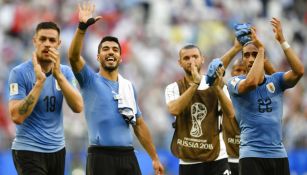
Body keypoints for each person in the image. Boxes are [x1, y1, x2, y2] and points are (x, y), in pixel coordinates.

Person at [68, 2, 164, 175]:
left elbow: (139, 125)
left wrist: (154, 157)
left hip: (127, 155)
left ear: (120, 58)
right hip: (100, 157)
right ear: (98, 57)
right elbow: (74, 57)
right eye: (105, 49)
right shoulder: (89, 80)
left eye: (115, 49)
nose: (110, 52)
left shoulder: (128, 86)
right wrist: (82, 28)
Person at [227, 18, 304, 175]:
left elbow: (299, 71)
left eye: (254, 54)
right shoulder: (234, 82)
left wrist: (282, 41)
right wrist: (261, 50)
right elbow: (252, 82)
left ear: (263, 58)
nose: (250, 59)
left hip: (278, 154)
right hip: (251, 155)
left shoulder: (276, 81)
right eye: (246, 55)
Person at [8, 21, 83, 175]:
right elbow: (16, 116)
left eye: (52, 40)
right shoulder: (19, 73)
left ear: (59, 44)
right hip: (28, 150)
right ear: (35, 41)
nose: (47, 44)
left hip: (57, 150)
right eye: (42, 39)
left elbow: (78, 107)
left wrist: (59, 76)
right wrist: (39, 83)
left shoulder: (65, 73)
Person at [164, 40, 241, 174]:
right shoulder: (173, 87)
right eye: (186, 58)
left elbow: (230, 112)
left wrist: (216, 87)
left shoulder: (217, 83)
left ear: (203, 59)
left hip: (217, 156)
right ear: (179, 63)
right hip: (189, 159)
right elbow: (174, 110)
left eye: (195, 57)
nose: (191, 61)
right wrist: (195, 84)